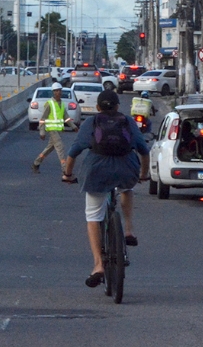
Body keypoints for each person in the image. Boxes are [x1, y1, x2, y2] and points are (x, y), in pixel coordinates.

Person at [62, 89, 150, 288]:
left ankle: (98, 265)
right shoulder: (127, 121)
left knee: (93, 216)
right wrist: (143, 174)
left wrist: (67, 174)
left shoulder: (91, 122)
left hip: (97, 171)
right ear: (118, 106)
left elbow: (74, 151)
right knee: (127, 188)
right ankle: (128, 229)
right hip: (126, 168)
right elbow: (144, 151)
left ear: (98, 107)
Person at [33, 83, 77, 174]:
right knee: (60, 147)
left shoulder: (62, 104)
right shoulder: (49, 104)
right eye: (56, 91)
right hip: (52, 129)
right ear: (53, 92)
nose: (59, 92)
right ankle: (64, 169)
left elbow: (66, 117)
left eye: (60, 90)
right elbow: (42, 119)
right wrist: (42, 132)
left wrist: (74, 126)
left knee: (49, 148)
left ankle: (36, 163)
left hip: (58, 130)